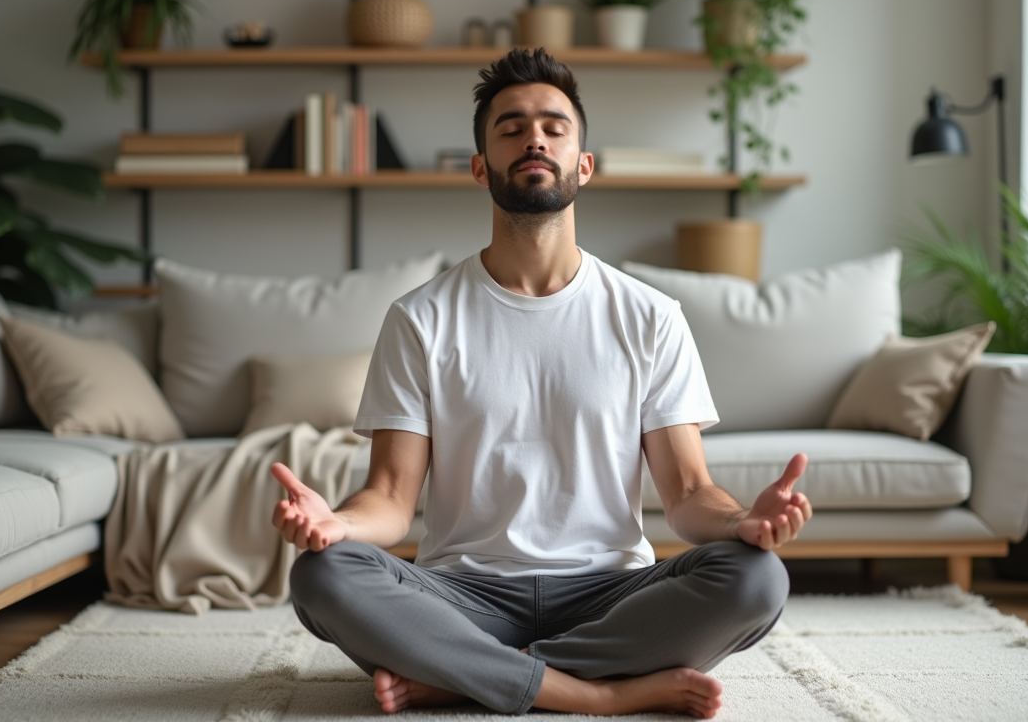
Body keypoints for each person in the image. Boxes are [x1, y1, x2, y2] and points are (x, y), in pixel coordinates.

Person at [271, 48, 813, 718]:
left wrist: (743, 521)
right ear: (481, 168)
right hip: (463, 597)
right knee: (324, 573)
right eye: (511, 127)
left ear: (584, 166)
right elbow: (389, 496)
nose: (535, 137)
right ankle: (598, 693)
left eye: (555, 127)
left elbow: (689, 495)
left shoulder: (649, 316)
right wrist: (338, 523)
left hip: (610, 594)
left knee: (756, 578)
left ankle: (464, 678)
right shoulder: (420, 318)